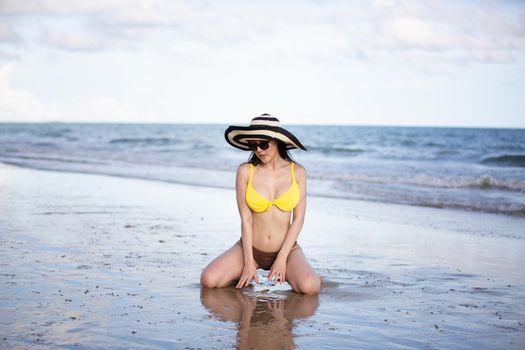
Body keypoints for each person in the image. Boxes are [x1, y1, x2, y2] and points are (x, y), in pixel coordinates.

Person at [200, 114, 321, 295]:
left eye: (263, 144)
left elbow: (298, 220)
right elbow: (246, 219)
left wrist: (281, 259)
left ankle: (303, 273)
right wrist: (249, 261)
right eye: (253, 145)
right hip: (250, 248)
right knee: (209, 280)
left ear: (277, 142)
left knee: (310, 288)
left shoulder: (298, 172)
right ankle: (243, 273)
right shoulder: (245, 171)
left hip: (286, 251)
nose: (258, 150)